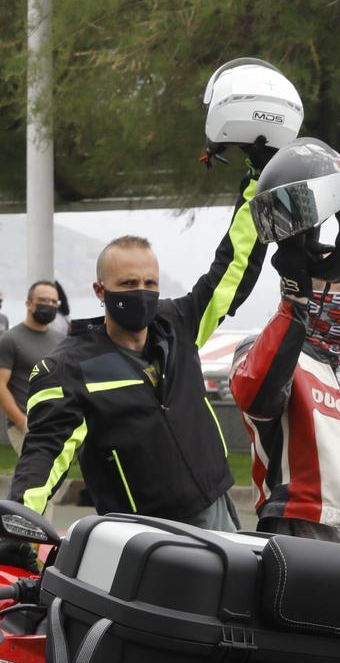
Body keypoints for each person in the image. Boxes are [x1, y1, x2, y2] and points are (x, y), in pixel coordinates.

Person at [12, 174, 267, 526]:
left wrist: (257, 182)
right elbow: (43, 455)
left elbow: (233, 267)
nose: (141, 291)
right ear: (100, 291)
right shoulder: (69, 367)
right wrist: (18, 525)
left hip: (216, 503)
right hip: (145, 531)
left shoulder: (178, 324)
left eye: (150, 283)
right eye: (128, 284)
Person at [231, 264, 340, 547]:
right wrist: (292, 305)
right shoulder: (264, 354)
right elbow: (255, 393)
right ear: (313, 295)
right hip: (302, 529)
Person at [0, 281, 67, 453]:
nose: (49, 305)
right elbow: (1, 386)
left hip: (55, 424)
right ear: (29, 304)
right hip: (26, 426)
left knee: (53, 477)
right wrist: (22, 423)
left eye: (54, 302)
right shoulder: (10, 340)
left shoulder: (61, 340)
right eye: (43, 301)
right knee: (37, 476)